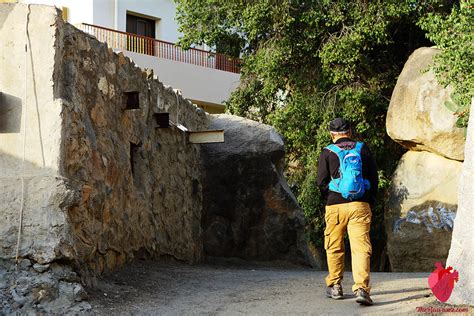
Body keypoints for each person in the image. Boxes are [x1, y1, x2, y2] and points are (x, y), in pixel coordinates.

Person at [317, 117, 378, 306]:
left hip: (335, 206)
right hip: (360, 205)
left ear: (331, 134)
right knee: (361, 248)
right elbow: (373, 178)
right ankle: (362, 289)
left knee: (334, 246)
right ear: (349, 131)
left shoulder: (327, 151)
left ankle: (335, 286)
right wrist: (368, 200)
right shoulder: (362, 148)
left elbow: (321, 182)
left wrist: (329, 198)